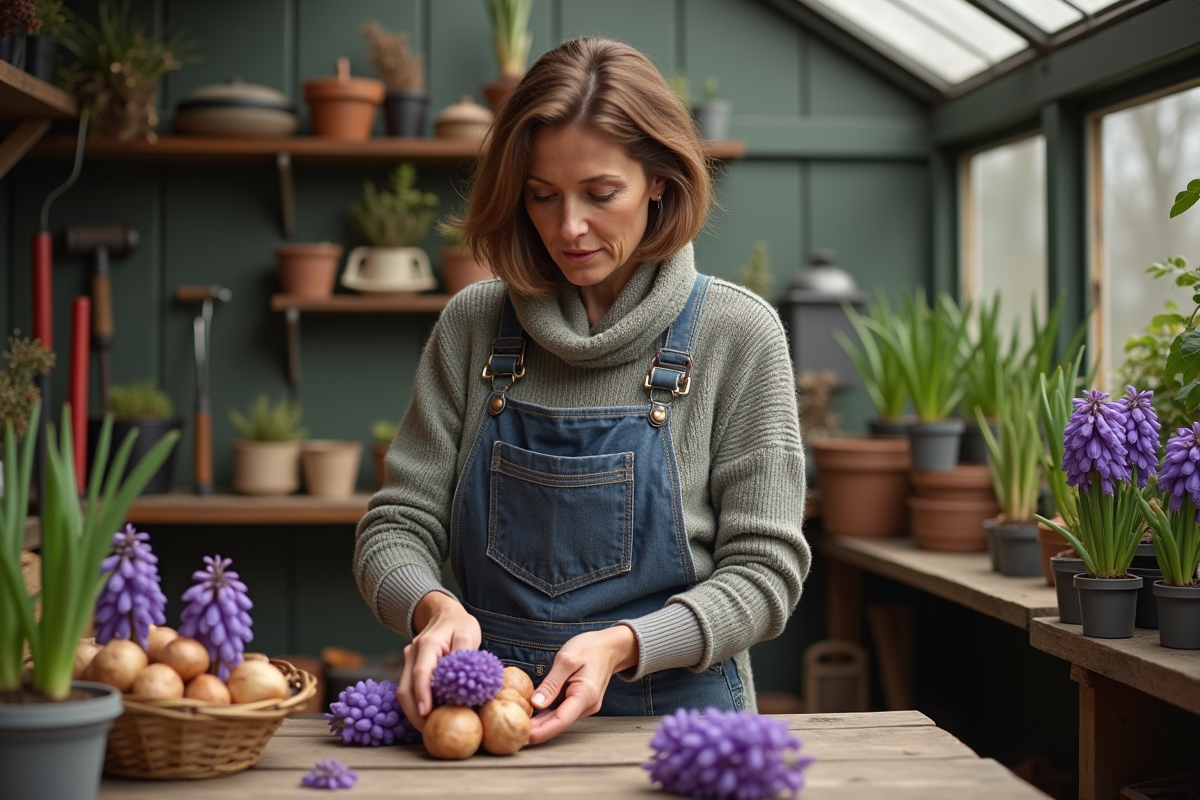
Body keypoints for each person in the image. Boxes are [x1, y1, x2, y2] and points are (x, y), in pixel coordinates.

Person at [355, 37, 809, 745]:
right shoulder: (474, 326)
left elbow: (766, 575)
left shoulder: (738, 335)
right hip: (494, 722)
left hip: (680, 729)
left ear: (659, 179)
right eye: (542, 196)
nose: (568, 228)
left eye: (600, 194)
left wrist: (624, 644)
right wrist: (431, 606)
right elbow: (396, 527)